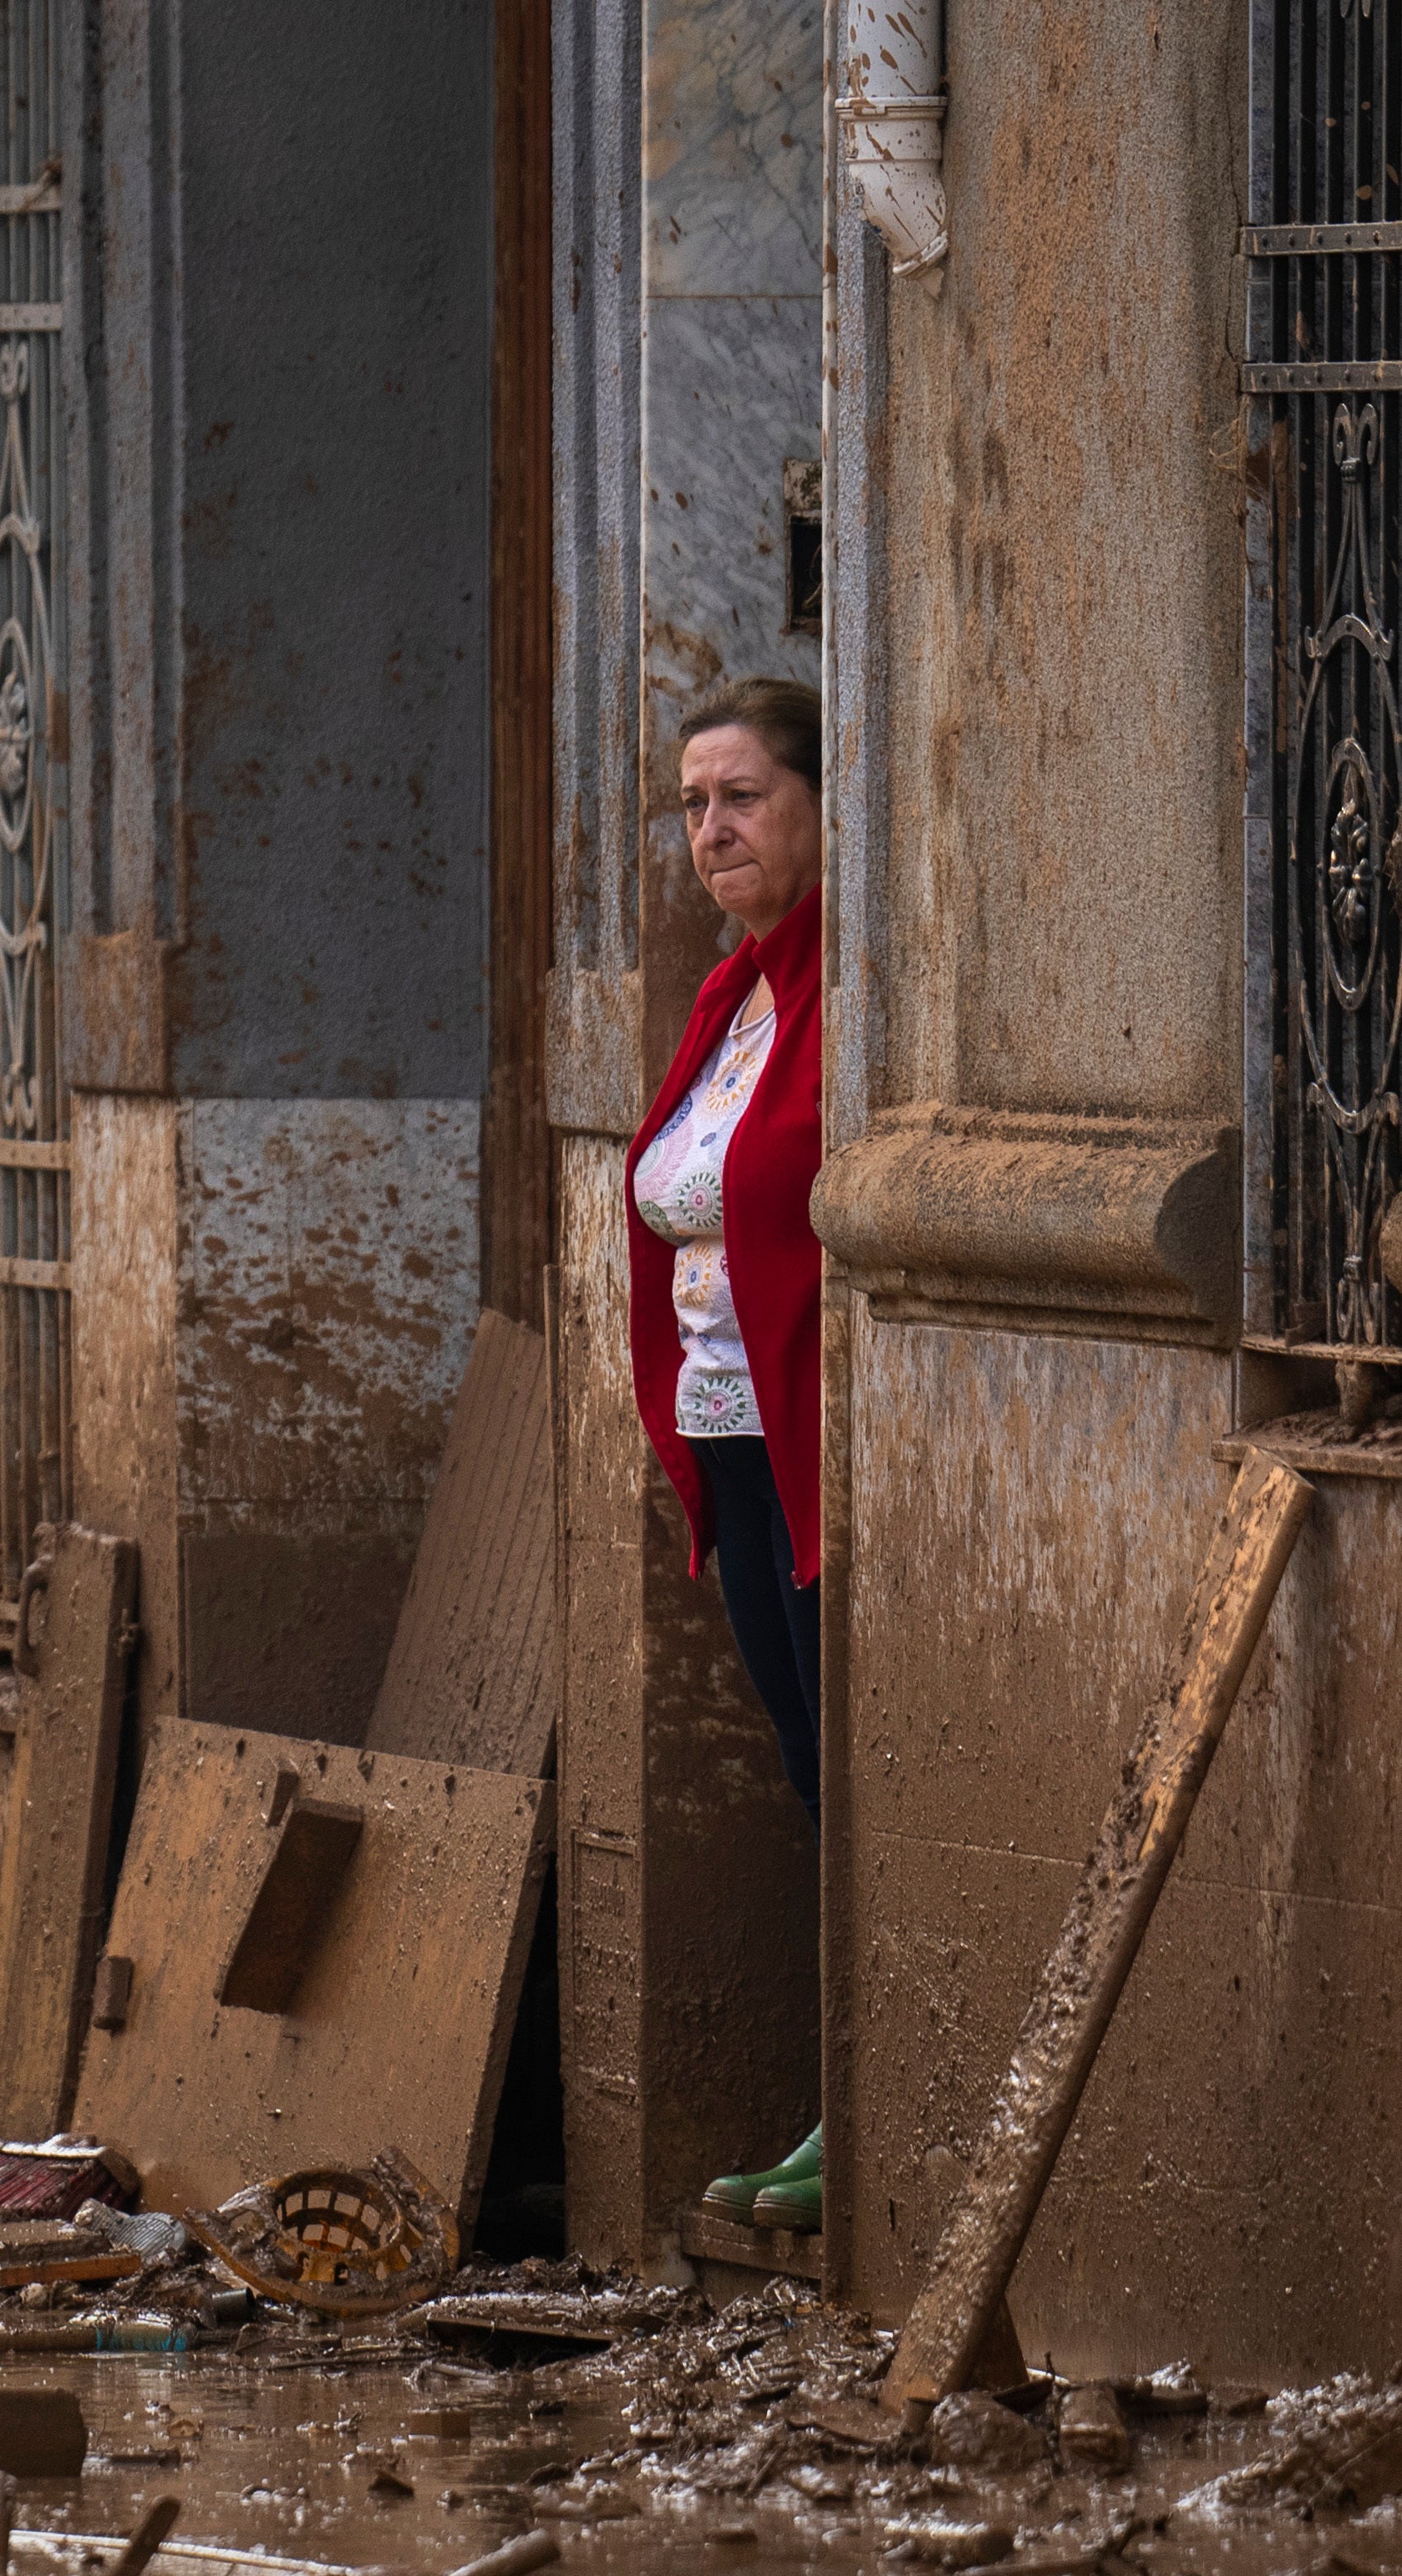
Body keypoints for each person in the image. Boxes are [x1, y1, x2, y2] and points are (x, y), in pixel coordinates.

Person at [626, 676, 829, 2238]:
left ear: (824, 807)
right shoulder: (731, 995)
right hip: (730, 1437)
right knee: (803, 1770)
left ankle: (858, 2110)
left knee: (842, 1766)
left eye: (743, 796)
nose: (712, 831)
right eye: (694, 805)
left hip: (810, 1437)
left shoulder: (843, 990)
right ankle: (841, 2095)